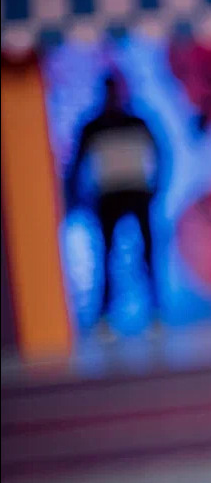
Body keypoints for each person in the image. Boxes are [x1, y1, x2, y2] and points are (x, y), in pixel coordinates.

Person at [65, 73, 164, 332]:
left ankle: (155, 312)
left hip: (137, 192)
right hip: (109, 195)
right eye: (110, 90)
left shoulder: (138, 122)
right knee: (106, 254)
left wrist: (156, 187)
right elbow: (76, 164)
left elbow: (160, 154)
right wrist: (78, 196)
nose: (115, 96)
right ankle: (105, 317)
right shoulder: (93, 126)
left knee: (147, 253)